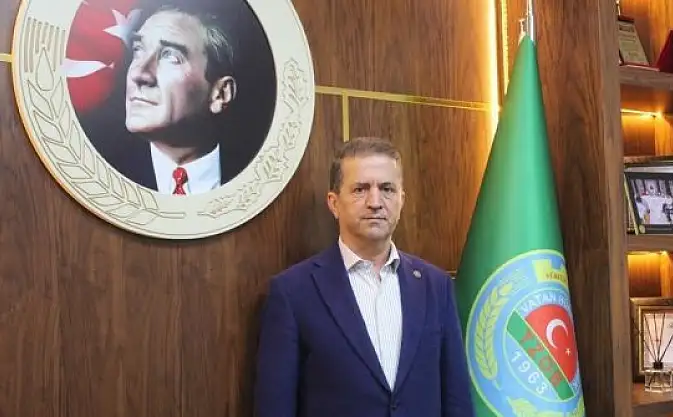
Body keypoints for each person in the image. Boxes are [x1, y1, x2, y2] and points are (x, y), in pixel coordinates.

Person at [254, 137, 474, 417]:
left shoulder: (436, 286)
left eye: (387, 189)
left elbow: (456, 400)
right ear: (334, 203)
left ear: (401, 200)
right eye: (360, 189)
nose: (375, 202)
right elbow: (275, 407)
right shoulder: (292, 292)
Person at [105, 4, 245, 195]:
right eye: (138, 50)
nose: (139, 74)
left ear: (220, 94)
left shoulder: (257, 176)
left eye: (170, 56)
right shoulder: (99, 170)